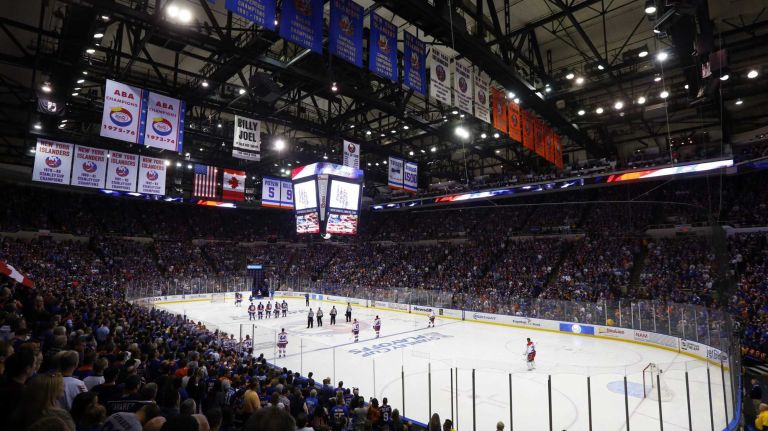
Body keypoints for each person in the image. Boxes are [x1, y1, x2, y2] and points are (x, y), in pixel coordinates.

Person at [10, 372, 76, 431]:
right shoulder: (61, 415)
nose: (64, 387)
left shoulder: (23, 409)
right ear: (52, 390)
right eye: (62, 385)